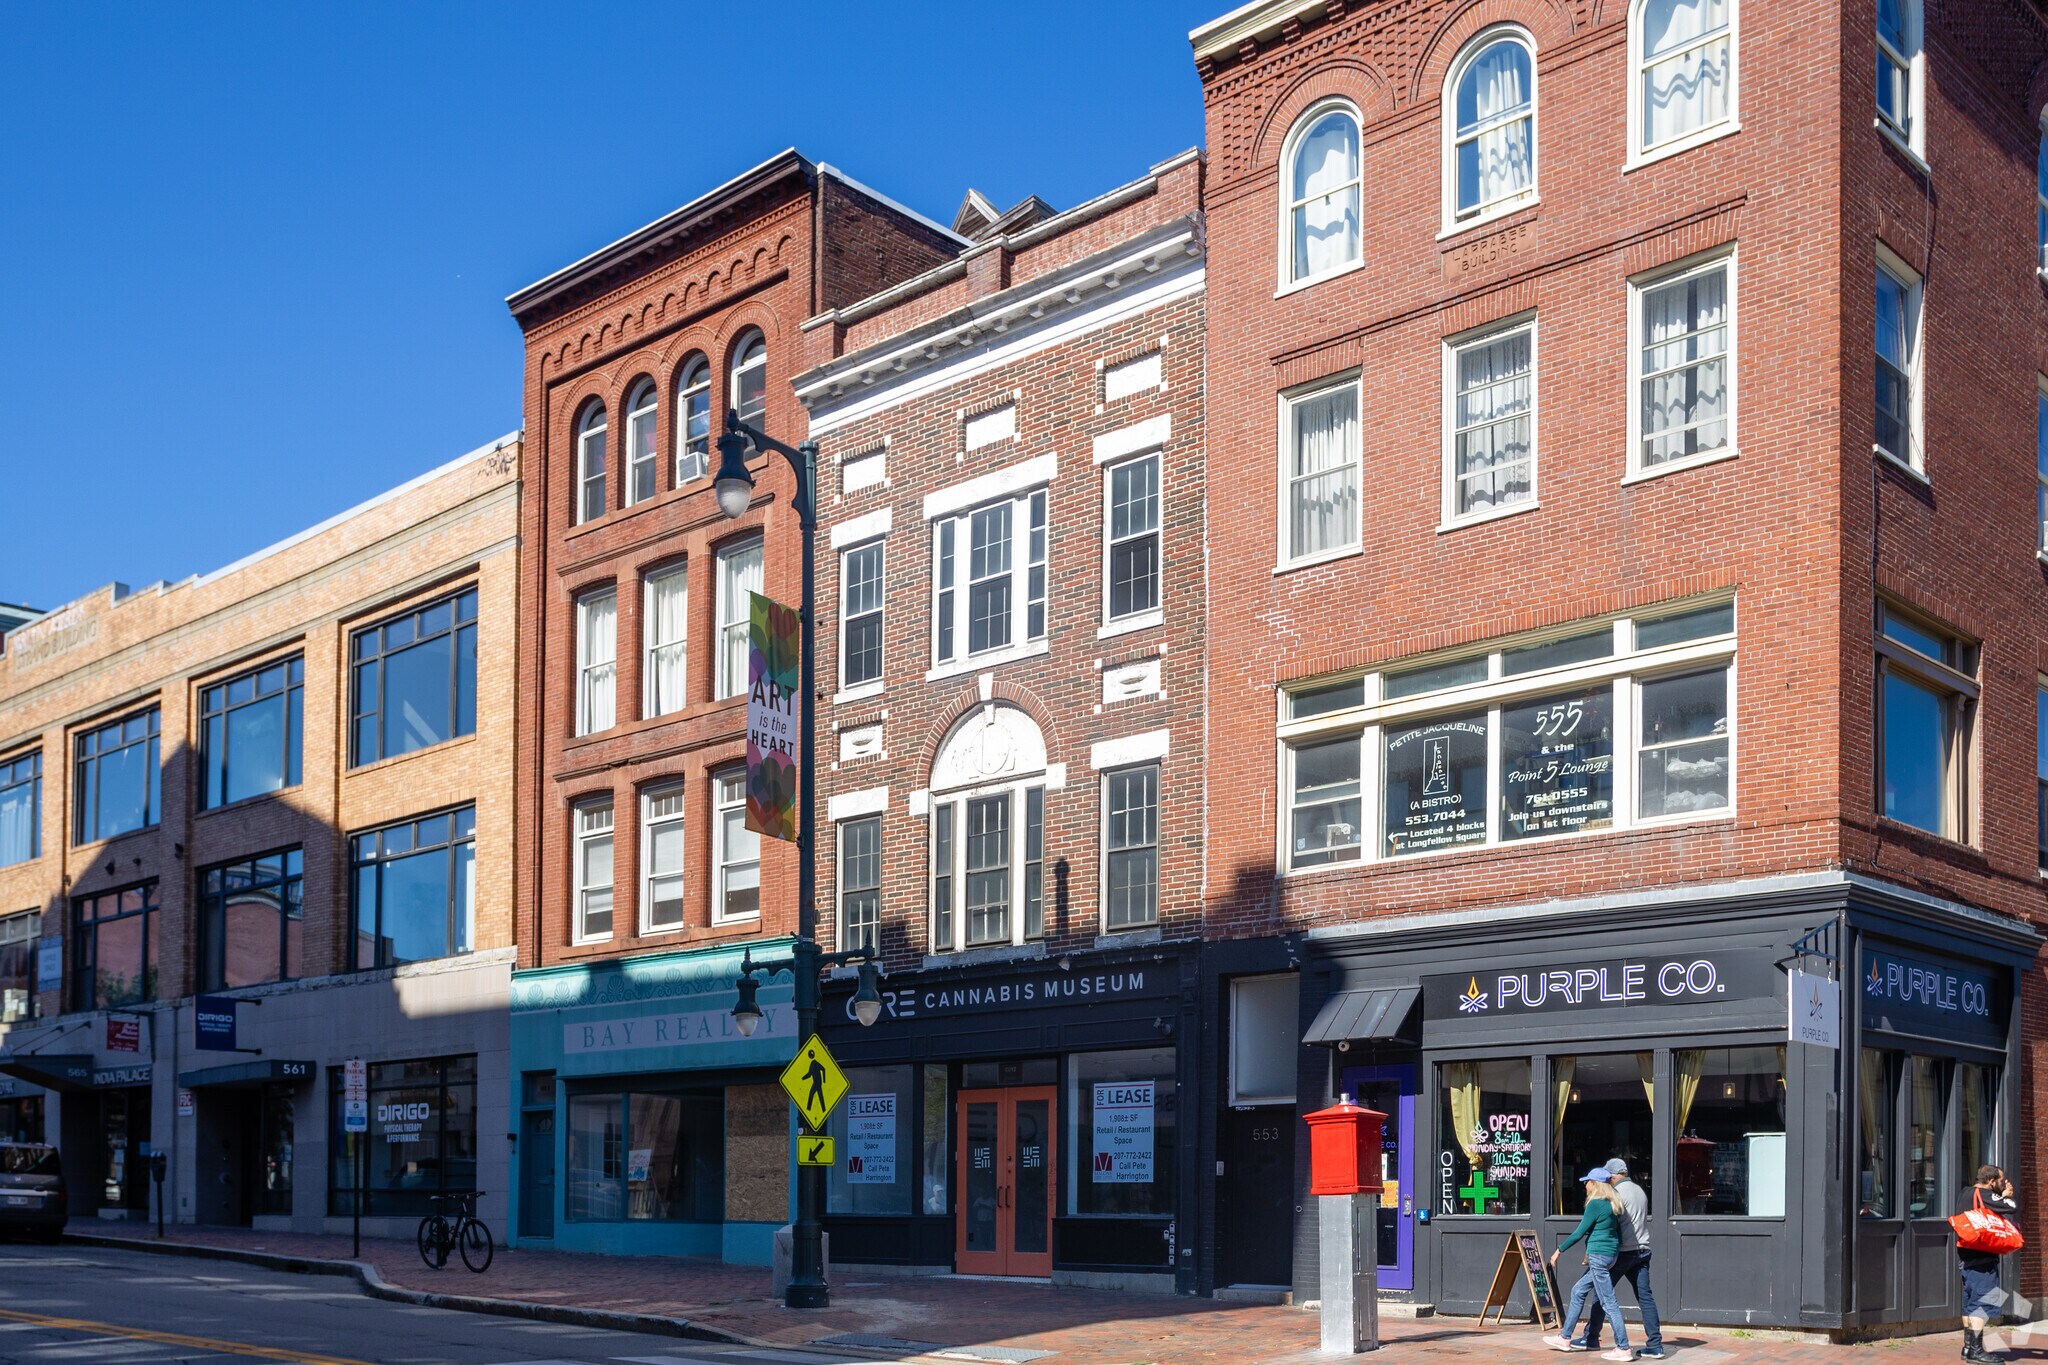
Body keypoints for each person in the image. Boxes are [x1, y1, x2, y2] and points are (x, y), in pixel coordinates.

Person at [1574, 1159, 1665, 1358]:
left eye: (1608, 1177)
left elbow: (1608, 1226)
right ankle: (1655, 1344)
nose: (1606, 1180)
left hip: (1621, 1252)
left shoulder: (1616, 1194)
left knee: (1602, 1293)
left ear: (1613, 1176)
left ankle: (1591, 1337)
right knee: (1645, 1298)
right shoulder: (1639, 1191)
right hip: (1642, 1250)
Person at [1544, 1169, 1636, 1362]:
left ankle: (1623, 1347)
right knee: (1578, 1291)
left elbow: (1579, 1233)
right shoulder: (1613, 1204)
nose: (1585, 1185)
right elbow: (1618, 1234)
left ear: (1595, 1183)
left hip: (1598, 1256)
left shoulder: (1595, 1204)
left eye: (1587, 1182)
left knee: (1608, 1302)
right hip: (1610, 1255)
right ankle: (1565, 1338)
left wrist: (1558, 1251)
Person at [1957, 1164, 2019, 1364]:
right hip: (1982, 1259)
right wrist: (2007, 1195)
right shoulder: (1985, 1194)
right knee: (1982, 1305)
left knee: (1970, 1304)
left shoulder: (1965, 1193)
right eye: (2001, 1181)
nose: (2003, 1184)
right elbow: (2012, 1207)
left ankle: (1968, 1348)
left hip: (1966, 1258)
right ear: (1991, 1181)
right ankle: (1976, 1351)